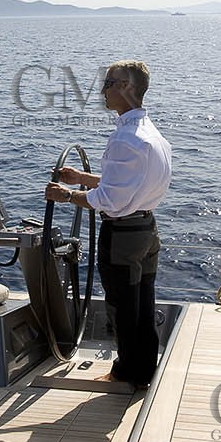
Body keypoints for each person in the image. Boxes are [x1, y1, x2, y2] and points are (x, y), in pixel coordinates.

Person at [45, 60, 172, 389]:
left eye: (109, 83)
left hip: (123, 235)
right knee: (143, 305)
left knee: (122, 308)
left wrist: (67, 195)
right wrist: (82, 178)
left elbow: (112, 200)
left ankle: (125, 373)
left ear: (127, 88)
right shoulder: (150, 134)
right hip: (146, 230)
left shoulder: (125, 139)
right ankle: (144, 371)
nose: (102, 90)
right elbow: (129, 183)